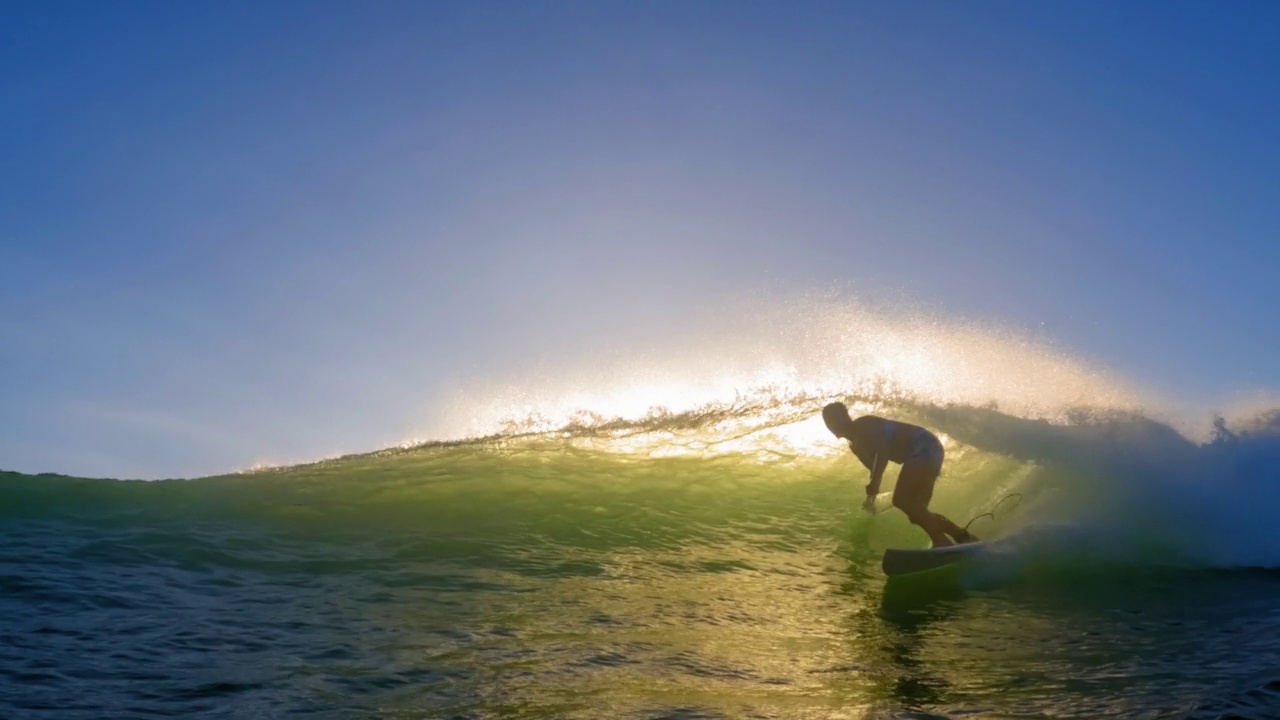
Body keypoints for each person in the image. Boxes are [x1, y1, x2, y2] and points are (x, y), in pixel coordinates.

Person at [821, 402, 977, 547]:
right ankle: (962, 536)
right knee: (916, 513)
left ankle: (942, 542)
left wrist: (876, 483)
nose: (830, 425)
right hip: (926, 452)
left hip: (924, 446)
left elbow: (883, 452)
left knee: (901, 500)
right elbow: (873, 468)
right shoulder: (855, 446)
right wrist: (871, 498)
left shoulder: (864, 425)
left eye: (832, 419)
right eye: (827, 422)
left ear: (844, 417)